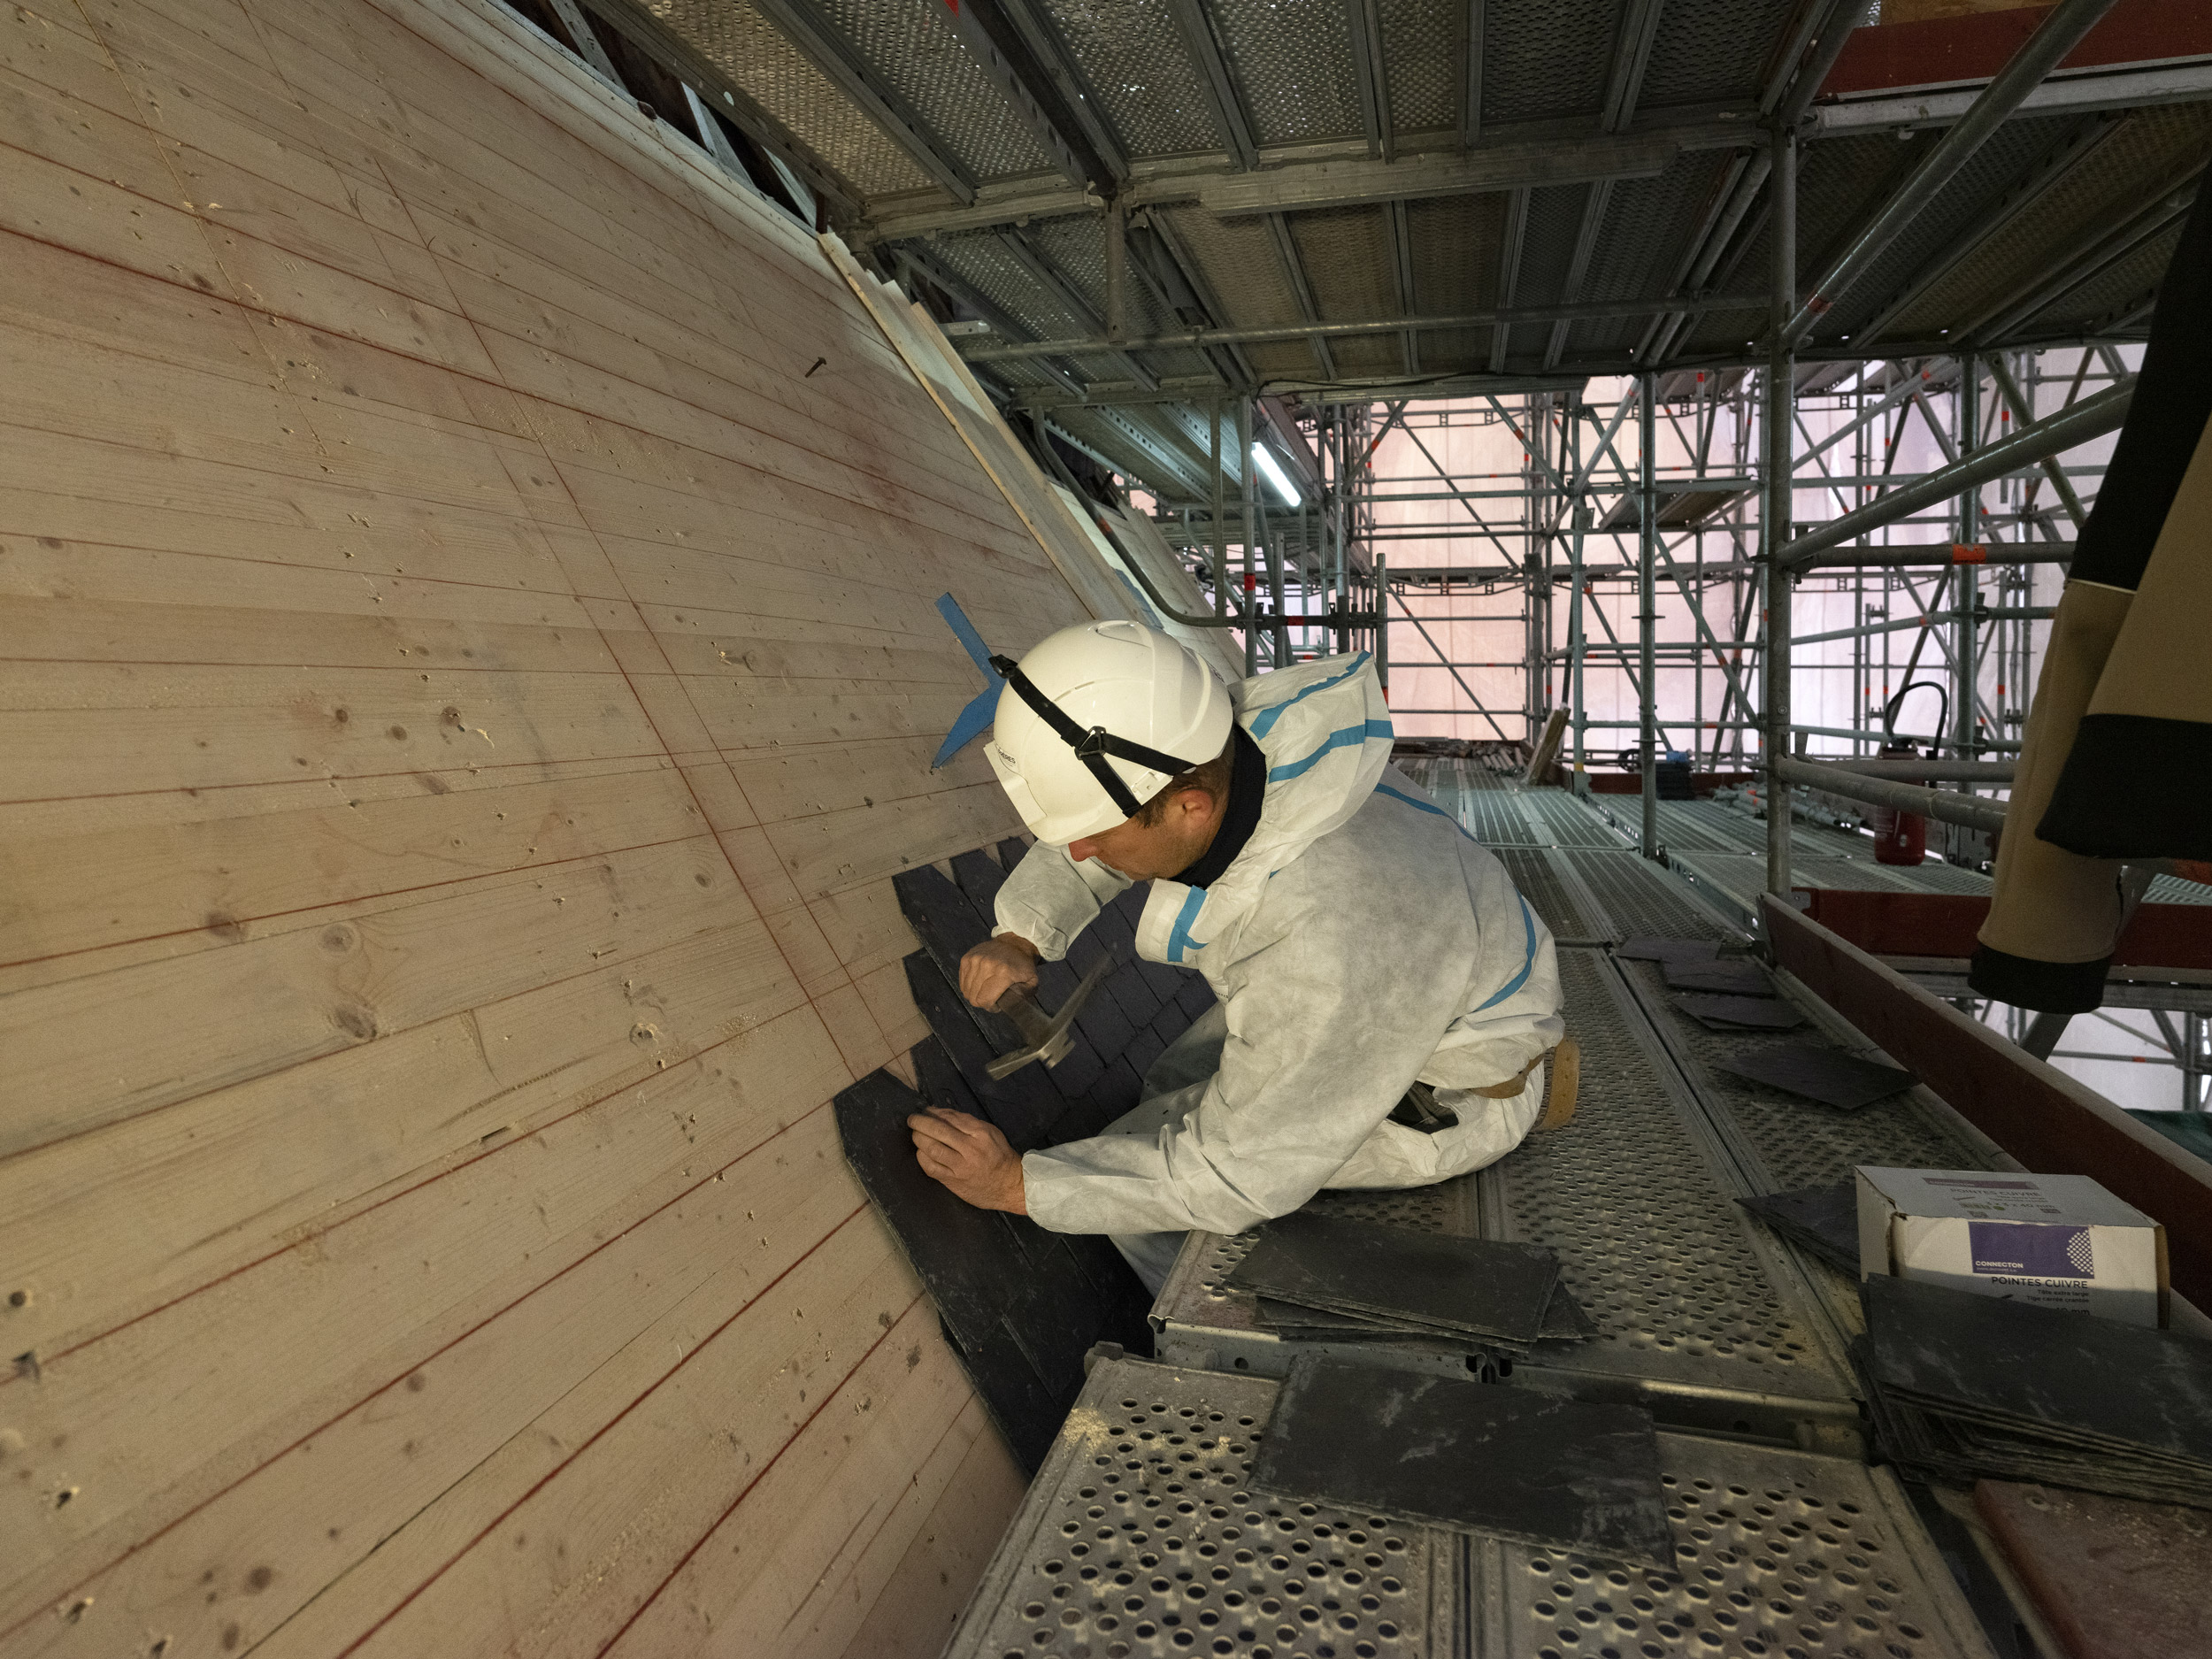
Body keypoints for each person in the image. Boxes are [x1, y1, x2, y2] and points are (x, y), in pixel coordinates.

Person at [908, 620, 1568, 1294]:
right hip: (1432, 985)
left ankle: (1226, 1320)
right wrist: (1022, 932)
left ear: (1192, 807)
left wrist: (1018, 1186)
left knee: (1151, 1209)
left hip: (1449, 1089)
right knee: (1173, 1081)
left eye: (1091, 839)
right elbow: (1122, 818)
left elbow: (1235, 1173)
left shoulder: (1320, 943)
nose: (1079, 853)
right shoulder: (1236, 746)